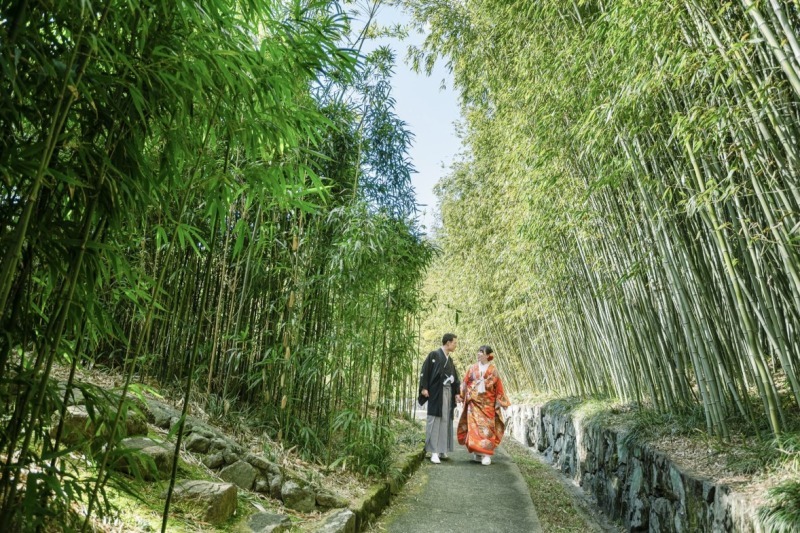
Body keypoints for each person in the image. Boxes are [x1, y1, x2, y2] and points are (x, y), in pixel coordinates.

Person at [457, 345, 510, 465]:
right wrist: (461, 396)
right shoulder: (471, 368)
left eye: (481, 352)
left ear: (488, 355)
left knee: (487, 429)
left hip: (487, 404)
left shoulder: (493, 370)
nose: (479, 354)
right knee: (474, 429)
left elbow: (498, 387)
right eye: (478, 352)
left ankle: (486, 454)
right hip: (473, 403)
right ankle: (477, 452)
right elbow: (465, 383)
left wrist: (502, 402)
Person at [418, 333, 461, 464]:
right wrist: (424, 388)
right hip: (437, 392)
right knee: (435, 419)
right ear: (448, 343)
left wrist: (457, 393)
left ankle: (442, 449)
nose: (455, 345)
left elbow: (455, 377)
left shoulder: (450, 360)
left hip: (448, 392)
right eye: (454, 343)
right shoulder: (434, 355)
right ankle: (433, 451)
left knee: (445, 420)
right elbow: (425, 371)